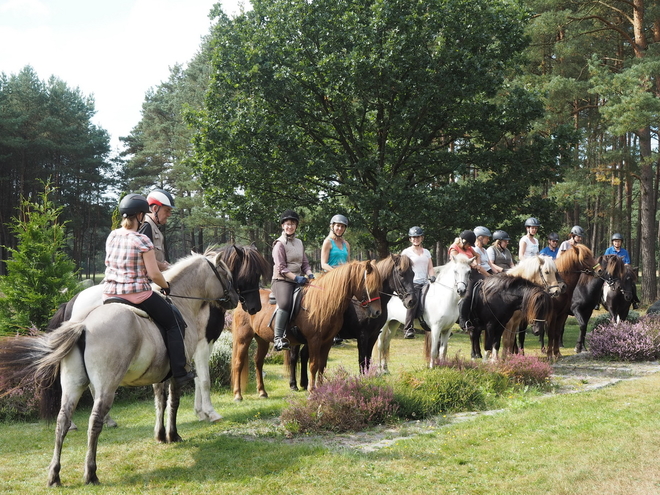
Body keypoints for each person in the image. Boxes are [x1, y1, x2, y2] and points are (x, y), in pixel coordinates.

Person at [103, 194, 195, 388]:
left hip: (110, 294)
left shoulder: (112, 235)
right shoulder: (142, 240)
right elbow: (154, 274)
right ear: (138, 216)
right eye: (142, 215)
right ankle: (180, 371)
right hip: (137, 295)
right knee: (175, 321)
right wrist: (166, 286)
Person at [271, 209, 314, 351]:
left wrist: (310, 274)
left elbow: (305, 263)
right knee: (285, 303)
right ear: (283, 226)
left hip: (298, 279)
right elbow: (282, 268)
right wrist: (296, 278)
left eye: (293, 224)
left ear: (296, 226)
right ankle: (278, 338)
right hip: (282, 280)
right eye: (287, 224)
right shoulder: (279, 244)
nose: (290, 226)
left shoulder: (299, 243)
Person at [320, 214, 350, 345]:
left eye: (342, 226)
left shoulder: (346, 244)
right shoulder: (328, 242)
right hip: (330, 278)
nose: (339, 228)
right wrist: (337, 273)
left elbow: (348, 263)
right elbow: (323, 264)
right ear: (332, 226)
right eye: (338, 226)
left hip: (344, 280)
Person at [401, 226, 435, 339]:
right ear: (410, 239)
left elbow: (430, 267)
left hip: (425, 282)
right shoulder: (406, 253)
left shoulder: (426, 252)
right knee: (413, 301)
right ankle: (408, 328)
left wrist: (433, 276)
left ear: (422, 238)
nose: (416, 239)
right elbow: (403, 269)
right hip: (413, 283)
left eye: (418, 237)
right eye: (414, 237)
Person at [449, 230, 480, 332]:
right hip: (460, 276)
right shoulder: (454, 248)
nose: (469, 247)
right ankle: (463, 321)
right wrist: (471, 264)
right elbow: (459, 262)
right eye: (468, 244)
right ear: (463, 241)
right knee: (467, 295)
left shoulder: (469, 247)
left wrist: (477, 264)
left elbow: (477, 256)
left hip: (469, 273)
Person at [139, 188, 175, 271]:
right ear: (155, 208)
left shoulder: (152, 226)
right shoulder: (146, 225)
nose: (169, 214)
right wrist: (163, 266)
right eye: (167, 210)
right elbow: (140, 256)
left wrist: (166, 265)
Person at [604, 233, 639, 309]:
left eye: (619, 241)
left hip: (622, 273)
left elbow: (627, 263)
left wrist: (624, 266)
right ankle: (597, 302)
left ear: (621, 242)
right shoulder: (609, 250)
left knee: (631, 283)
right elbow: (605, 261)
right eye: (615, 241)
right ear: (613, 242)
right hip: (611, 272)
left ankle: (634, 301)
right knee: (600, 283)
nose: (617, 243)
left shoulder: (624, 252)